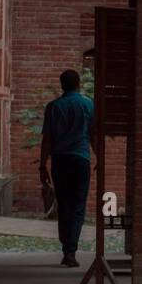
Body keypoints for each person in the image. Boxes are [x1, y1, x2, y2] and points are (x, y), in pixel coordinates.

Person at [39, 69, 95, 268]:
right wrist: (100, 158)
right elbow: (93, 135)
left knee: (64, 204)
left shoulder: (53, 107)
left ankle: (67, 249)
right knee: (78, 205)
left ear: (62, 85)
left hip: (60, 161)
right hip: (81, 160)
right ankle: (71, 250)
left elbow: (47, 138)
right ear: (78, 83)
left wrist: (42, 164)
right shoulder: (88, 104)